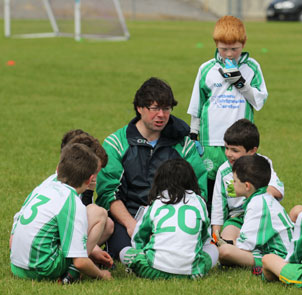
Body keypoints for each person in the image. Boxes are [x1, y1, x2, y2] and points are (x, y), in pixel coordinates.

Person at [96, 77, 208, 259]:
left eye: (166, 109)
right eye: (154, 108)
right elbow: (108, 194)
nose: (162, 115)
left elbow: (198, 191)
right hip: (129, 219)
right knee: (123, 249)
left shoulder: (184, 144)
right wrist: (133, 226)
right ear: (140, 108)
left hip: (171, 220)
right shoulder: (116, 143)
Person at [187, 15, 268, 209]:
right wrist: (193, 134)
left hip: (239, 143)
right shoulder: (207, 69)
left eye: (235, 49)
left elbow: (259, 101)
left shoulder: (252, 68)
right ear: (216, 44)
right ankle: (208, 225)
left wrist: (240, 82)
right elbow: (198, 104)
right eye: (224, 49)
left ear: (244, 43)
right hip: (211, 142)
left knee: (236, 186)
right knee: (209, 185)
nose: (229, 54)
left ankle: (233, 221)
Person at [10, 143, 112, 282]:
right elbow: (80, 261)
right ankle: (72, 274)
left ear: (58, 169)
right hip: (43, 270)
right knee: (98, 213)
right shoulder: (71, 201)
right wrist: (102, 274)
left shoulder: (43, 187)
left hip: (16, 266)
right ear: (90, 180)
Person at [119, 159, 218, 279]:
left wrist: (142, 254)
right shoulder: (199, 202)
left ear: (159, 181)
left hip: (152, 271)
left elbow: (139, 236)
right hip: (193, 273)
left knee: (124, 251)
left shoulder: (156, 203)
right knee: (213, 248)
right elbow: (205, 238)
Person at [211, 119, 284, 244]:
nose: (228, 154)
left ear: (252, 151)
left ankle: (246, 249)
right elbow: (218, 205)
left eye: (235, 150)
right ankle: (239, 247)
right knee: (225, 242)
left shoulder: (263, 163)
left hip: (262, 215)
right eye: (226, 148)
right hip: (237, 218)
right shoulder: (223, 171)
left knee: (271, 241)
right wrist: (215, 235)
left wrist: (254, 198)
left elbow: (277, 191)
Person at [217, 155, 293, 275]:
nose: (232, 184)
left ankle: (263, 266)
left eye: (235, 180)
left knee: (225, 251)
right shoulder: (262, 198)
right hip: (275, 251)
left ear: (247, 186)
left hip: (281, 257)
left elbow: (244, 245)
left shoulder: (257, 204)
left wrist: (228, 244)